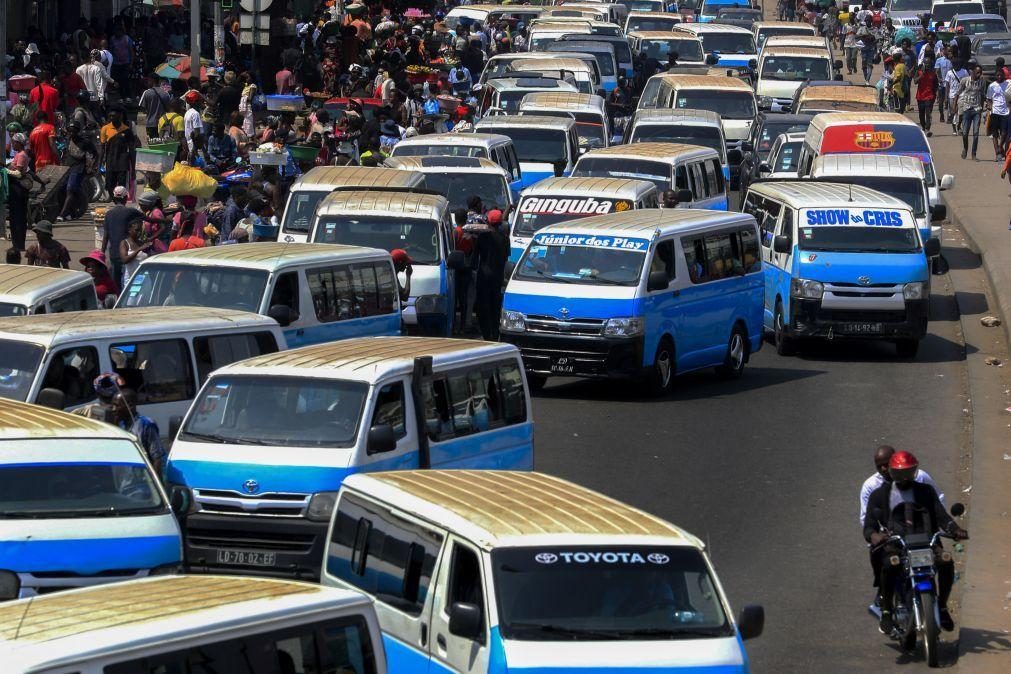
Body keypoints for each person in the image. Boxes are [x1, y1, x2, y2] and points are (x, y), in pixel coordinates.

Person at [864, 451, 967, 634]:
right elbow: (869, 526)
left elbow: (941, 515)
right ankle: (887, 611)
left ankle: (942, 606)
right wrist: (875, 536)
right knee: (890, 564)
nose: (903, 478)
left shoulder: (925, 491)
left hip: (927, 542)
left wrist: (955, 529)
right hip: (897, 544)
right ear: (892, 472)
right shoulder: (879, 495)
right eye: (899, 473)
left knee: (945, 561)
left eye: (908, 472)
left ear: (914, 471)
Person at [467, 209, 510, 341]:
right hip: (497, 278)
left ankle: (487, 335)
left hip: (483, 277)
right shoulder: (505, 239)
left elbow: (474, 259)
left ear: (488, 222)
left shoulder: (483, 237)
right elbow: (506, 258)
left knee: (482, 307)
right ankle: (495, 333)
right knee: (495, 307)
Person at [114, 388, 166, 478]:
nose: (114, 409)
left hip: (142, 483)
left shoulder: (145, 424)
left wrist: (156, 486)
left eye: (117, 406)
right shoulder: (120, 425)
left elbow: (157, 458)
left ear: (130, 405)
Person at [6, 133, 44, 251]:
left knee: (17, 217)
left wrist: (4, 170)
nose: (12, 144)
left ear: (18, 143)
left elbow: (18, 173)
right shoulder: (20, 154)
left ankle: (18, 245)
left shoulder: (22, 155)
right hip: (17, 190)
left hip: (18, 190)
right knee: (16, 217)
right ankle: (17, 244)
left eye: (13, 142)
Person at [57, 121, 98, 222]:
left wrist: (92, 166)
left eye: (74, 131)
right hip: (67, 168)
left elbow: (95, 154)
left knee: (70, 189)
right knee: (60, 189)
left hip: (79, 168)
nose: (71, 133)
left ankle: (62, 214)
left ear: (78, 131)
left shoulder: (85, 142)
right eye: (70, 131)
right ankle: (70, 212)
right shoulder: (67, 140)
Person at [100, 107, 136, 193]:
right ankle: (116, 203)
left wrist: (133, 169)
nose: (111, 118)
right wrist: (100, 164)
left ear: (120, 116)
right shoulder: (105, 129)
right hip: (110, 162)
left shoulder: (127, 131)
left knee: (121, 188)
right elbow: (102, 148)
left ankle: (119, 204)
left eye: (114, 116)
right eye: (110, 116)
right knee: (109, 186)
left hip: (122, 163)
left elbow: (132, 150)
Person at [955, 64, 986, 160]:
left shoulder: (982, 82)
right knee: (965, 133)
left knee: (976, 133)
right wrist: (954, 106)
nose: (979, 74)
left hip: (976, 109)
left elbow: (982, 94)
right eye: (977, 72)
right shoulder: (965, 81)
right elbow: (958, 93)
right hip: (966, 109)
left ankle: (974, 154)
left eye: (980, 72)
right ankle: (965, 148)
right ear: (972, 72)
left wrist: (981, 108)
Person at [985, 67, 1010, 161]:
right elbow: (988, 99)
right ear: (995, 76)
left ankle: (1000, 147)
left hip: (1005, 112)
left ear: (1003, 75)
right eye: (997, 75)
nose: (999, 77)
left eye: (1001, 75)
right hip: (995, 112)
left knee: (1004, 133)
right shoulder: (992, 86)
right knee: (994, 134)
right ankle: (997, 154)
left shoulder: (1008, 84)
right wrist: (990, 106)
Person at [137, 74, 170, 140]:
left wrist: (140, 126)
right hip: (163, 123)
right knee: (162, 143)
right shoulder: (166, 94)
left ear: (153, 80)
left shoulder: (146, 92)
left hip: (150, 124)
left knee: (152, 144)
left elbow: (142, 110)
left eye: (148, 80)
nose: (147, 82)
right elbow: (169, 109)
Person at [119, 220, 151, 287]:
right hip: (130, 279)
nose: (139, 233)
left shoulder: (142, 243)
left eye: (140, 230)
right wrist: (139, 249)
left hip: (144, 278)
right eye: (136, 230)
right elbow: (124, 260)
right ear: (129, 230)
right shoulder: (124, 243)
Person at [915, 61, 938, 136]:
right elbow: (915, 81)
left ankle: (928, 129)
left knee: (928, 114)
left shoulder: (933, 74)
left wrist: (934, 96)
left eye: (929, 64)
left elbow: (936, 85)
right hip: (920, 96)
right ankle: (923, 127)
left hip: (929, 96)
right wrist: (921, 76)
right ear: (924, 64)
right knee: (921, 114)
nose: (927, 65)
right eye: (926, 64)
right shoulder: (919, 72)